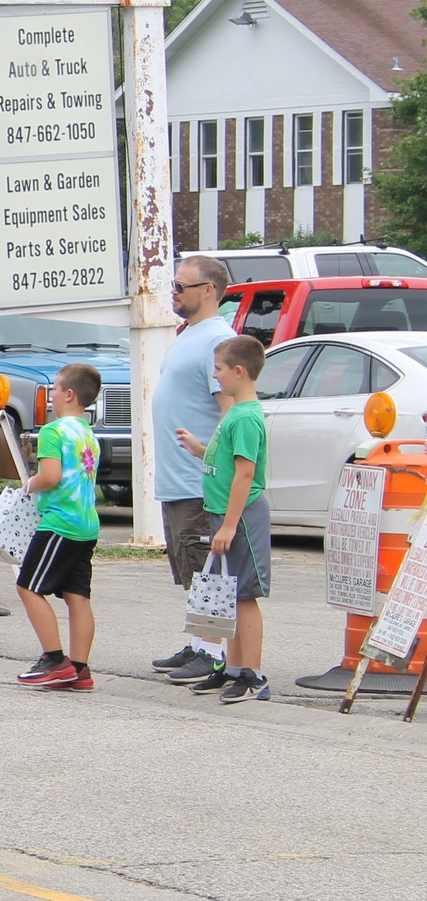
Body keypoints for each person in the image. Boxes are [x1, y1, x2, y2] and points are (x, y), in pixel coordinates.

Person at [151, 254, 240, 685]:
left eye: (181, 287)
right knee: (191, 566)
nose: (174, 293)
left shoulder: (217, 341)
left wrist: (211, 461)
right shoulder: (190, 334)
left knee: (206, 564)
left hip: (198, 480)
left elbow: (231, 412)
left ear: (208, 290)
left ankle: (214, 651)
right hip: (176, 478)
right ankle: (201, 641)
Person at [174, 335, 272, 703]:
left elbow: (245, 475)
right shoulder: (234, 414)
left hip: (242, 517)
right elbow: (226, 462)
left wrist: (230, 525)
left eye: (218, 369)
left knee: (244, 595)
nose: (215, 376)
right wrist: (200, 449)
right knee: (228, 594)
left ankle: (252, 674)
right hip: (224, 513)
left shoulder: (246, 417)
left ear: (238, 371)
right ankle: (231, 669)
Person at [15, 363, 103, 691]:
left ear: (68, 394)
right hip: (86, 524)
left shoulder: (53, 432)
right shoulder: (88, 434)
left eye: (54, 389)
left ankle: (54, 659)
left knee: (28, 586)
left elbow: (50, 477)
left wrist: (30, 484)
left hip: (59, 523)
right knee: (76, 595)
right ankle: (80, 668)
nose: (51, 396)